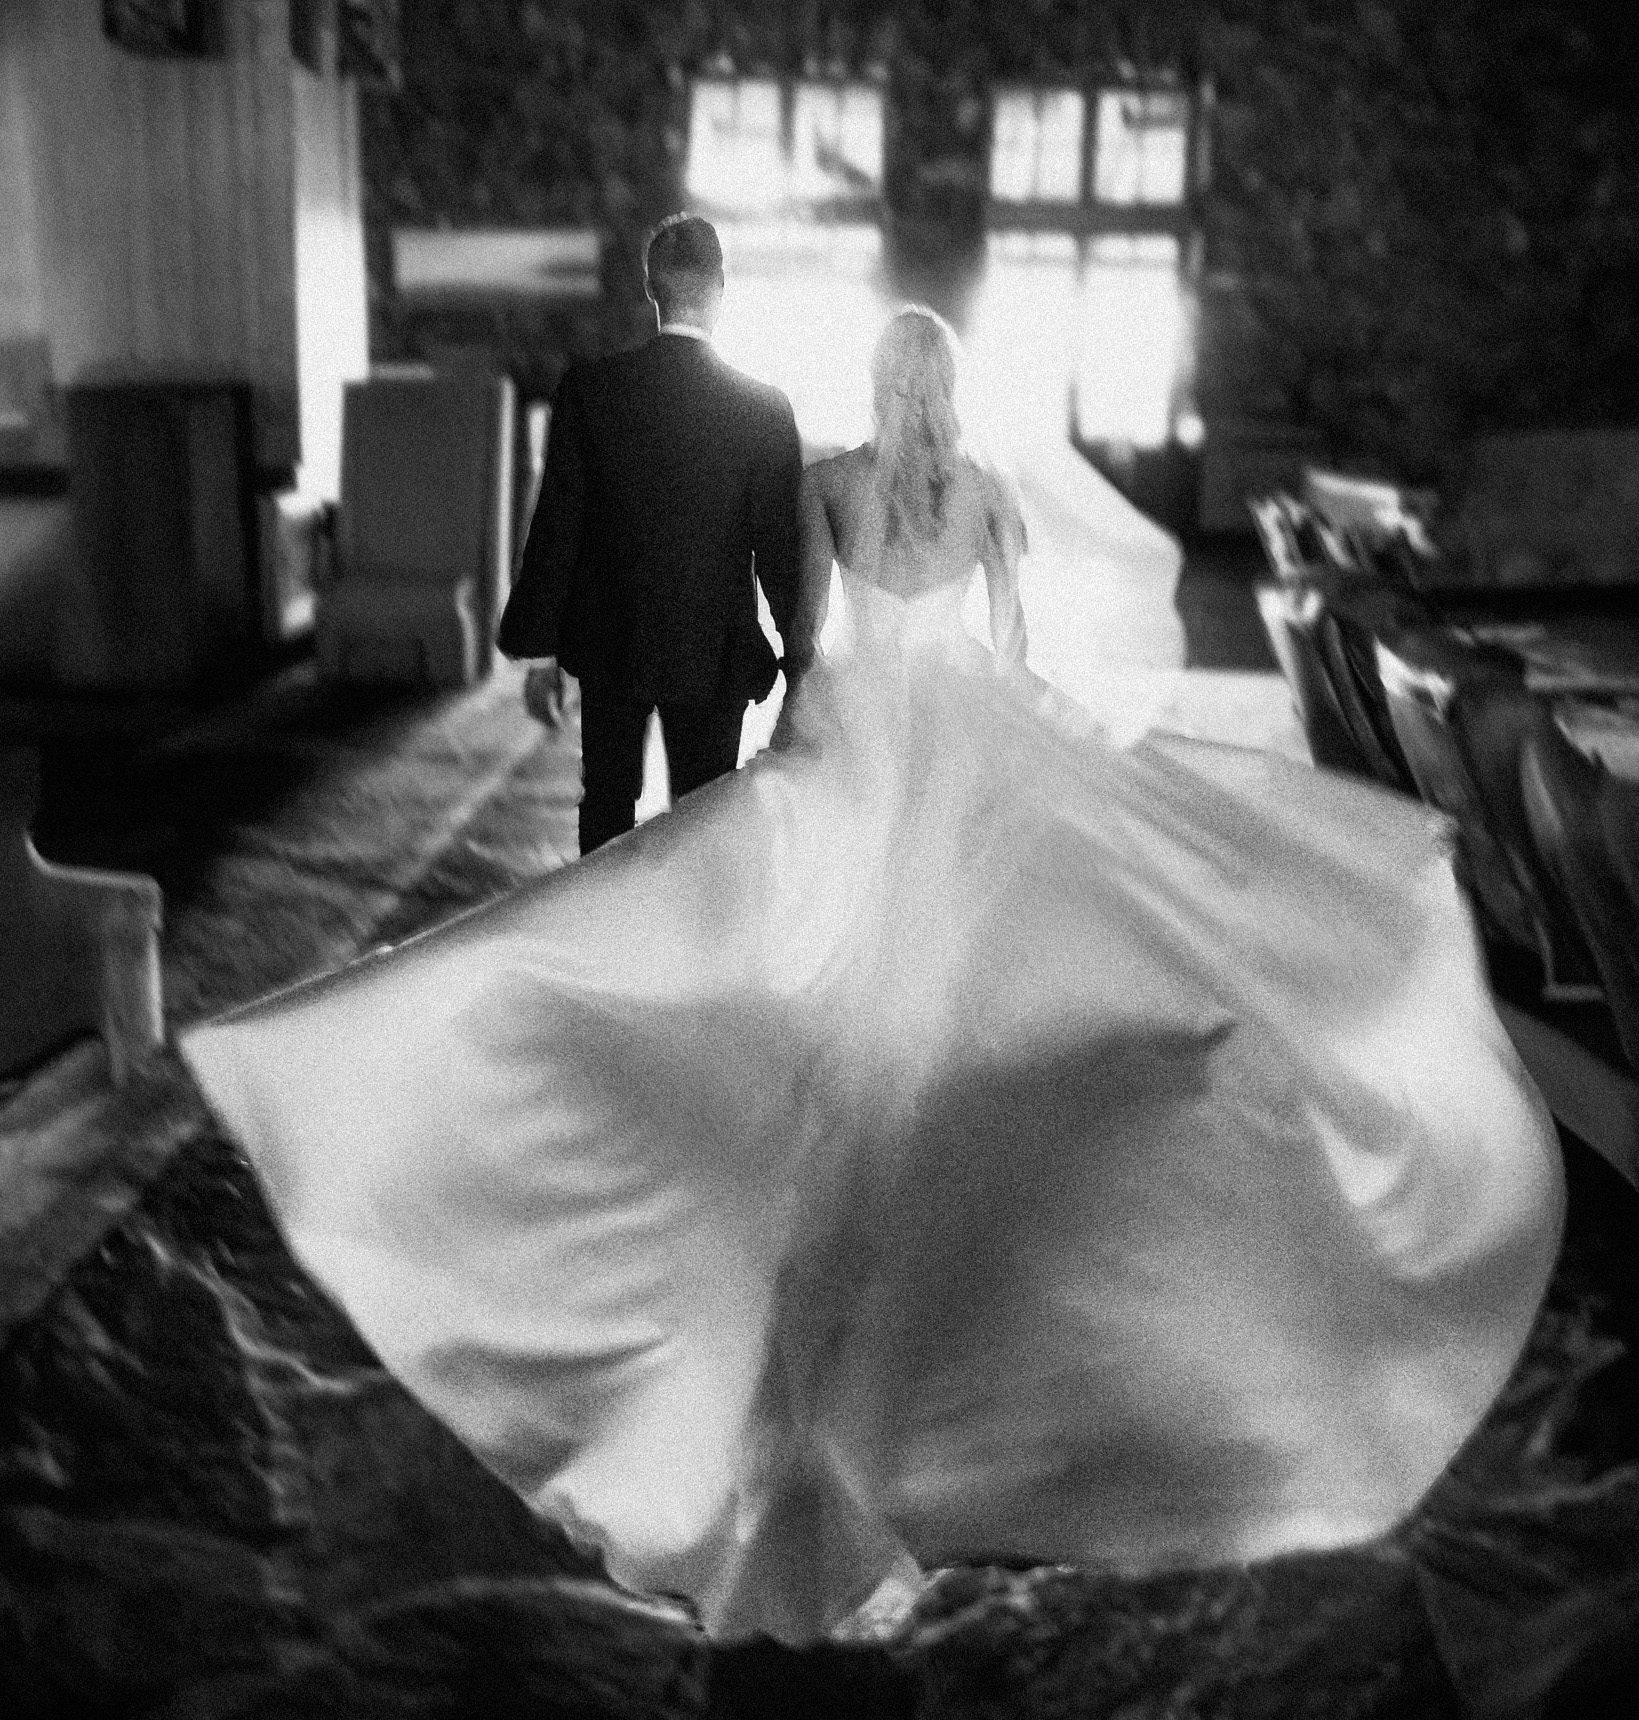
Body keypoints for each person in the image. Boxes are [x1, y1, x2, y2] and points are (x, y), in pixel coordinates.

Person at [181, 304, 1564, 1647]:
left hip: (857, 736)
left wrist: (795, 753)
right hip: (963, 735)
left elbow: (805, 638)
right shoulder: (984, 494)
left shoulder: (830, 484)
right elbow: (1012, 648)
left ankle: (798, 1287)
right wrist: (1023, 729)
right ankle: (941, 1303)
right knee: (981, 967)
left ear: (873, 377)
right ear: (946, 385)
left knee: (784, 967)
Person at [498, 212, 803, 854]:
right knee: (702, 820)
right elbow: (780, 549)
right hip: (713, 650)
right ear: (721, 285)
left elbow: (558, 527)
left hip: (612, 645)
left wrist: (540, 656)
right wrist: (801, 657)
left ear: (650, 288)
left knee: (606, 808)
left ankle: (603, 918)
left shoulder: (591, 391)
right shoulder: (763, 408)